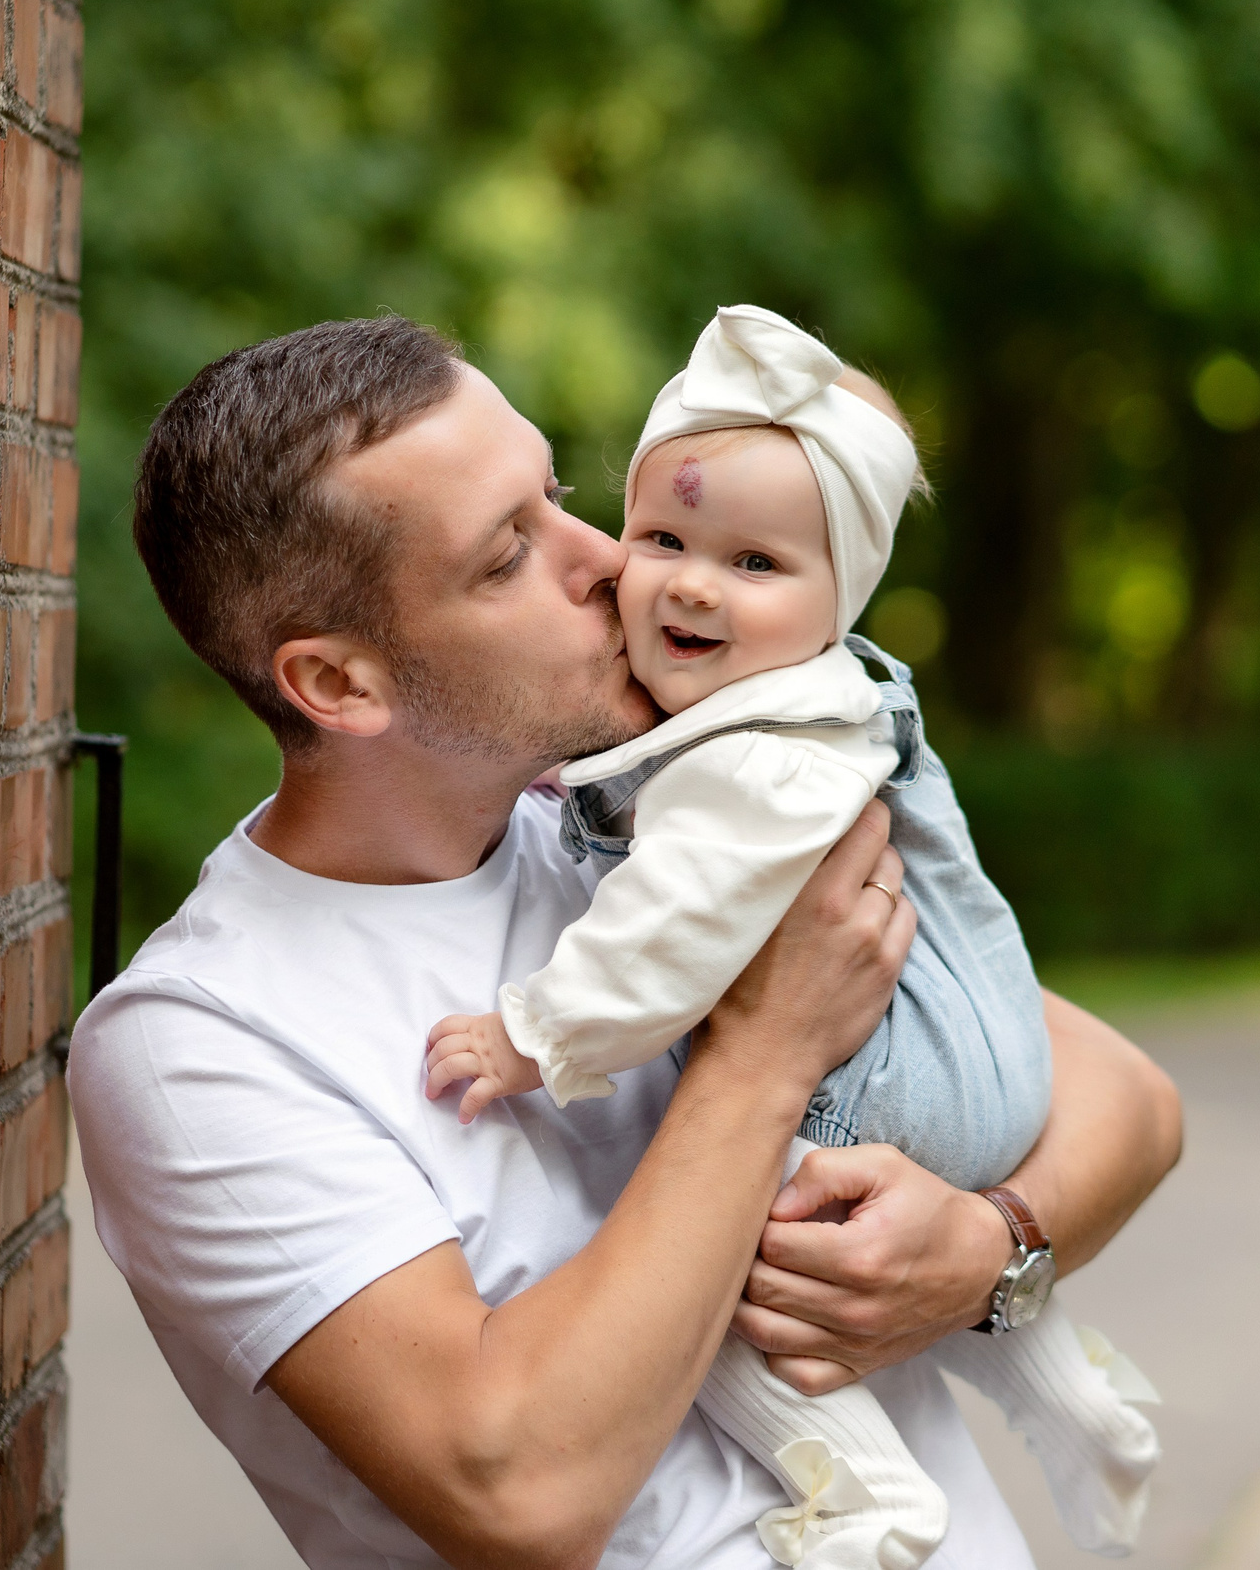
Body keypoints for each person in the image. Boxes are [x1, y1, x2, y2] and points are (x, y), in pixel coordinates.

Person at [70, 314, 1183, 1570]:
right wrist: (763, 1060)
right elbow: (518, 1494)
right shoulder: (201, 1039)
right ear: (339, 685)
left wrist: (992, 1246)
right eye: (507, 556)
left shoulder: (639, 816)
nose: (606, 556)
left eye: (557, 496)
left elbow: (1124, 1099)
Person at [424, 306, 1158, 1570]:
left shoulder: (752, 755)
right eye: (662, 536)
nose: (692, 582)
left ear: (842, 593)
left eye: (756, 565)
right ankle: (1065, 1385)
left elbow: (680, 913)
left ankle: (867, 1491)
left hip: (873, 1089)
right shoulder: (813, 696)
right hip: (975, 1072)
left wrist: (534, 1033)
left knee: (686, 1286)